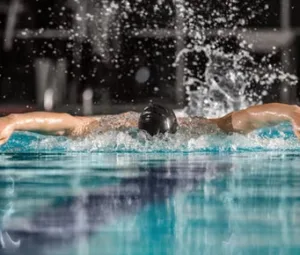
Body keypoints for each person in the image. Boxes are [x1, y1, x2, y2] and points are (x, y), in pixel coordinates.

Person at [0, 102, 300, 145]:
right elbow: (67, 124)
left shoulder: (196, 128)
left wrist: (291, 112)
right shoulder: (116, 126)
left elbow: (243, 118)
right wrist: (13, 121)